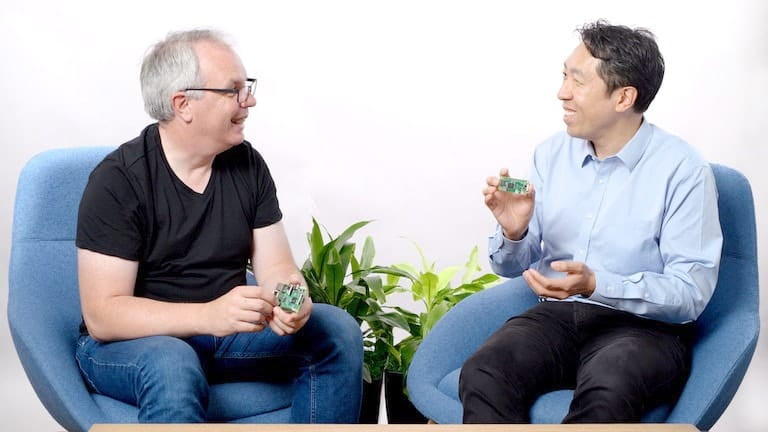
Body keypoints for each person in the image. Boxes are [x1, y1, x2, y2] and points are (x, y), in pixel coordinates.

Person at [75, 29, 362, 424]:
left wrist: (293, 301)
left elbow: (278, 269)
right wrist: (208, 315)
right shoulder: (118, 180)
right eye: (233, 90)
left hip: (222, 333)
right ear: (183, 104)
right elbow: (103, 316)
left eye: (247, 88)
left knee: (335, 331)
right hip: (130, 345)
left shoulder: (247, 164)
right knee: (172, 361)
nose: (250, 101)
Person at [459, 21, 723, 423]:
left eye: (577, 81)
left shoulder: (684, 171)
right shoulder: (550, 154)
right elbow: (512, 267)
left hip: (644, 329)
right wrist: (515, 232)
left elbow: (691, 292)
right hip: (557, 318)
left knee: (607, 390)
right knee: (484, 372)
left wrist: (598, 284)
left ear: (624, 97)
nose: (562, 92)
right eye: (564, 76)